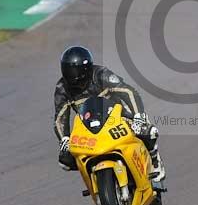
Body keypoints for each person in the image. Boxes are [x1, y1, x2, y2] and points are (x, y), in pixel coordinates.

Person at [53, 46, 166, 181]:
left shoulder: (101, 75)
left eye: (75, 71)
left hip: (119, 118)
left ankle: (154, 159)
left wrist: (138, 117)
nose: (73, 76)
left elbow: (128, 92)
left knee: (148, 132)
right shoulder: (62, 88)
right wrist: (64, 139)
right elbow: (60, 117)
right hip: (89, 127)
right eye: (68, 71)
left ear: (86, 69)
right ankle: (93, 179)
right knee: (65, 160)